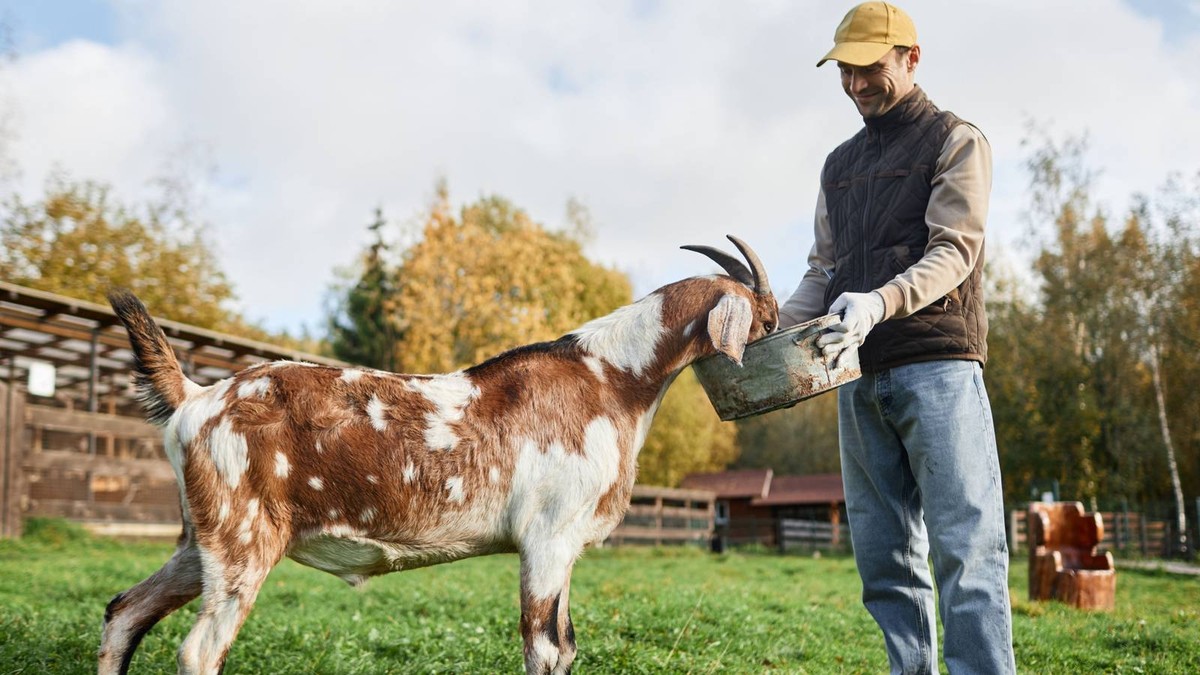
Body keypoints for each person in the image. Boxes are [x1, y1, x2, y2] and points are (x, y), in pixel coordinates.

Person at [779, 3, 1016, 673]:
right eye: (845, 72)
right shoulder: (839, 164)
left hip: (938, 368)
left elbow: (955, 250)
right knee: (885, 560)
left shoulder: (956, 140)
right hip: (853, 374)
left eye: (870, 68)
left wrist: (881, 301)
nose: (856, 85)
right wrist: (769, 329)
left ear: (912, 58)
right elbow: (822, 273)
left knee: (965, 551)